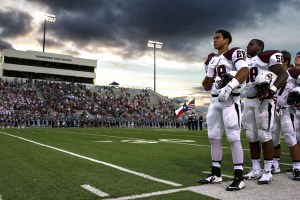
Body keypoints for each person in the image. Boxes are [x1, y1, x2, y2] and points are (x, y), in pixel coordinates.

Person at [198, 29, 249, 191]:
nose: (214, 40)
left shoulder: (235, 52)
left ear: (226, 40)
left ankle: (239, 177)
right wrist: (211, 70)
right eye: (213, 38)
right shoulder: (211, 59)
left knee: (233, 137)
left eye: (217, 38)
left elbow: (244, 71)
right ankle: (216, 173)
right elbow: (206, 86)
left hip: (229, 99)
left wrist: (229, 87)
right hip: (214, 100)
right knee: (213, 137)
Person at [242, 39, 289, 184]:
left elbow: (283, 75)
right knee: (251, 135)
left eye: (251, 44)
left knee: (264, 133)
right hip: (248, 100)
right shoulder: (244, 61)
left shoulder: (266, 56)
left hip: (263, 100)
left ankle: (267, 171)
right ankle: (256, 169)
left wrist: (272, 90)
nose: (248, 46)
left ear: (259, 47)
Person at [271, 50, 300, 180]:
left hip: (287, 110)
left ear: (285, 62)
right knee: (274, 138)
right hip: (274, 110)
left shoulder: (293, 72)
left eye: (279, 61)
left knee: (290, 138)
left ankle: (297, 168)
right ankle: (275, 164)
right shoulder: (272, 74)